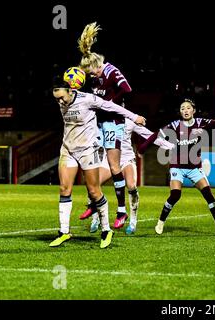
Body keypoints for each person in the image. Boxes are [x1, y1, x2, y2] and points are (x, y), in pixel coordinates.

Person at [49, 76, 146, 248]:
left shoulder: (88, 100)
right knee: (64, 189)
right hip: (68, 149)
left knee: (94, 191)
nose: (60, 101)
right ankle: (64, 232)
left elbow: (111, 106)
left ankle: (106, 230)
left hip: (88, 150)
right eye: (57, 98)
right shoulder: (62, 100)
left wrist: (134, 116)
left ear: (71, 91)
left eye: (62, 97)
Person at [138, 98, 215, 234]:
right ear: (180, 112)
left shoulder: (200, 122)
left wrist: (205, 128)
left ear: (193, 110)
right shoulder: (175, 125)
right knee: (175, 194)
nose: (185, 110)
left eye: (188, 108)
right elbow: (157, 134)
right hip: (177, 166)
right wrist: (143, 148)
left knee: (208, 194)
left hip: (194, 167)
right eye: (182, 108)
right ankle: (161, 222)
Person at [77, 22, 133, 229]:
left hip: (114, 123)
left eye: (91, 73)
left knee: (113, 166)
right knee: (89, 162)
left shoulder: (111, 71)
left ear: (97, 66)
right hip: (97, 123)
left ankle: (121, 211)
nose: (91, 76)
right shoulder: (93, 77)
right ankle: (93, 202)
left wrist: (111, 102)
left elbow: (127, 89)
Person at [85, 118, 175, 235]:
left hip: (126, 159)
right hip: (109, 160)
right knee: (93, 184)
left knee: (131, 186)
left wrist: (171, 146)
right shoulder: (104, 121)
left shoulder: (130, 121)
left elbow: (148, 135)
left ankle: (132, 222)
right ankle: (95, 218)